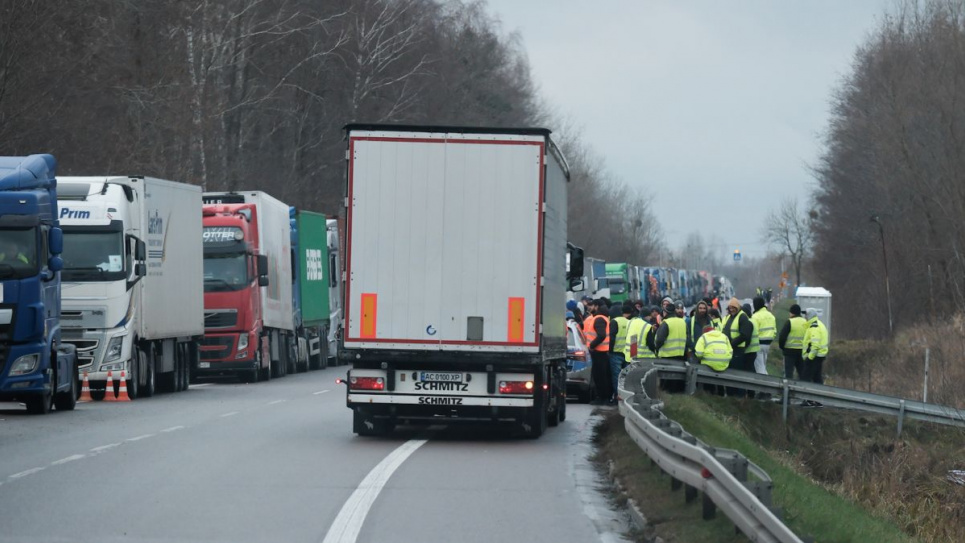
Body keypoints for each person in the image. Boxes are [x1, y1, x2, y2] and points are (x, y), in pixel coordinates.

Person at [721, 297, 753, 397]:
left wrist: (732, 343)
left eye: (733, 307)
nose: (731, 309)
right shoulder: (729, 317)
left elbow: (745, 334)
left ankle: (739, 396)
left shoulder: (742, 317)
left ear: (738, 307)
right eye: (730, 308)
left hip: (737, 350)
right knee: (730, 373)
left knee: (737, 374)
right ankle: (731, 395)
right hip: (729, 349)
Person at [583, 299, 612, 405]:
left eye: (593, 306)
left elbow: (601, 335)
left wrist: (592, 345)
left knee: (600, 376)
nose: (591, 308)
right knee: (602, 376)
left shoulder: (599, 319)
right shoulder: (603, 317)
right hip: (602, 351)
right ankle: (604, 397)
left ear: (597, 306)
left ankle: (602, 398)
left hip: (599, 351)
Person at [693, 323, 732, 395]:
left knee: (707, 378)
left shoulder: (703, 337)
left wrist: (702, 358)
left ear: (704, 332)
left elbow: (699, 353)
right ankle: (721, 394)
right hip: (723, 364)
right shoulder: (724, 336)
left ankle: (709, 394)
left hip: (709, 364)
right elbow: (730, 351)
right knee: (720, 379)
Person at [608, 304, 632, 403]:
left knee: (616, 376)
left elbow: (612, 338)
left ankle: (617, 396)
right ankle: (627, 396)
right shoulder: (629, 322)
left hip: (616, 353)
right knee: (626, 376)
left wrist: (609, 350)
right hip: (627, 353)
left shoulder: (614, 322)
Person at [778, 304, 808, 380]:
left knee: (788, 374)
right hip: (802, 351)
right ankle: (802, 390)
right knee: (802, 373)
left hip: (789, 351)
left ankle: (787, 390)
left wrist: (782, 347)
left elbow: (782, 337)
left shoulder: (790, 322)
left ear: (792, 313)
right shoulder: (805, 322)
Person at [750, 296, 776, 375]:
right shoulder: (771, 316)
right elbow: (774, 331)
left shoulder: (755, 316)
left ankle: (765, 384)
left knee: (759, 368)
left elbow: (754, 332)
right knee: (763, 365)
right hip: (768, 344)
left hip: (758, 345)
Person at [802, 308, 829, 384]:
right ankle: (820, 394)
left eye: (806, 315)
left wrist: (809, 358)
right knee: (817, 378)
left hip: (814, 357)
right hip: (819, 356)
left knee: (806, 378)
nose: (805, 317)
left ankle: (803, 395)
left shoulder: (814, 327)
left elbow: (815, 345)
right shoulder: (818, 324)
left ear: (810, 316)